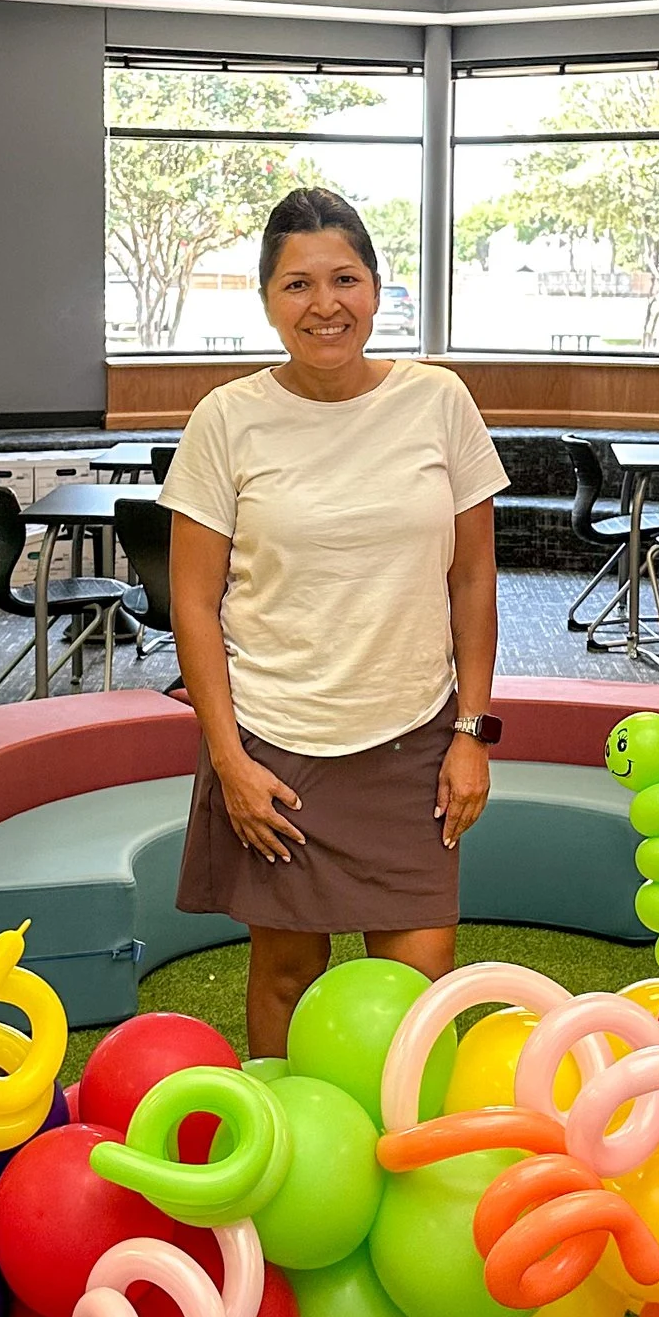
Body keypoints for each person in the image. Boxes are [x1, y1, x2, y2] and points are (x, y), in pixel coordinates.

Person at [162, 186, 509, 1060]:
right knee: (285, 972)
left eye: (344, 278)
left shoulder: (440, 401)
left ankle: (400, 1158)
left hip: (412, 738)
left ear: (378, 287)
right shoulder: (226, 419)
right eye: (297, 285)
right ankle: (284, 1166)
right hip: (278, 742)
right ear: (269, 300)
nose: (325, 305)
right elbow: (194, 605)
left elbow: (472, 579)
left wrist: (472, 732)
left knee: (419, 987)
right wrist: (229, 759)